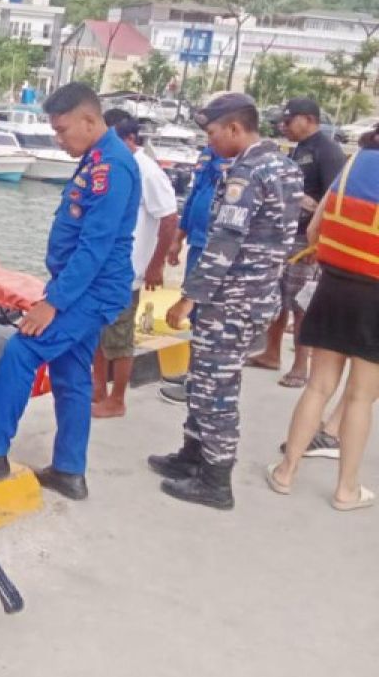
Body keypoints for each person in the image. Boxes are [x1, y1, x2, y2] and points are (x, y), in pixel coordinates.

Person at [0, 83, 139, 500]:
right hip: (79, 286)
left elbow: (96, 245)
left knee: (22, 350)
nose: (58, 138)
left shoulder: (113, 166)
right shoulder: (95, 158)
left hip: (90, 291)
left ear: (90, 120)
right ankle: (70, 471)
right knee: (72, 377)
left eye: (62, 129)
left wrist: (52, 304)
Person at [148, 93, 302, 510]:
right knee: (203, 377)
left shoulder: (248, 173)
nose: (210, 142)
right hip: (254, 295)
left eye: (214, 133)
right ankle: (192, 455)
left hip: (231, 300)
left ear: (235, 128)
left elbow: (225, 242)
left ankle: (216, 480)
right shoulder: (284, 166)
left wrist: (188, 299)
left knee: (216, 387)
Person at [266, 135, 379, 510]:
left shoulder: (354, 165)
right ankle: (346, 490)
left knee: (318, 387)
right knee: (361, 397)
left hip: (334, 287)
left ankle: (286, 471)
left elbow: (315, 231)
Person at [248, 98, 347, 388]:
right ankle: (271, 352)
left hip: (307, 240)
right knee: (278, 297)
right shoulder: (302, 148)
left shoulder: (328, 152)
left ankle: (301, 365)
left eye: (288, 121)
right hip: (288, 235)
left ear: (307, 119)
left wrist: (319, 245)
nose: (283, 126)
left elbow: (335, 201)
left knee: (301, 303)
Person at [91, 111, 178, 419]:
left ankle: (117, 399)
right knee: (99, 335)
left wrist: (157, 265)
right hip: (106, 268)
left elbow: (169, 218)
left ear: (129, 139)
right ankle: (98, 390)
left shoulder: (147, 171)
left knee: (119, 338)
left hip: (127, 272)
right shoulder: (115, 165)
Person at [159, 145, 232, 403]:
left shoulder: (241, 163)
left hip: (218, 250)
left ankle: (202, 385)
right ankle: (194, 375)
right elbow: (194, 197)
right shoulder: (209, 155)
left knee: (210, 316)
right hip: (197, 244)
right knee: (195, 315)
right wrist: (178, 238)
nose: (210, 135)